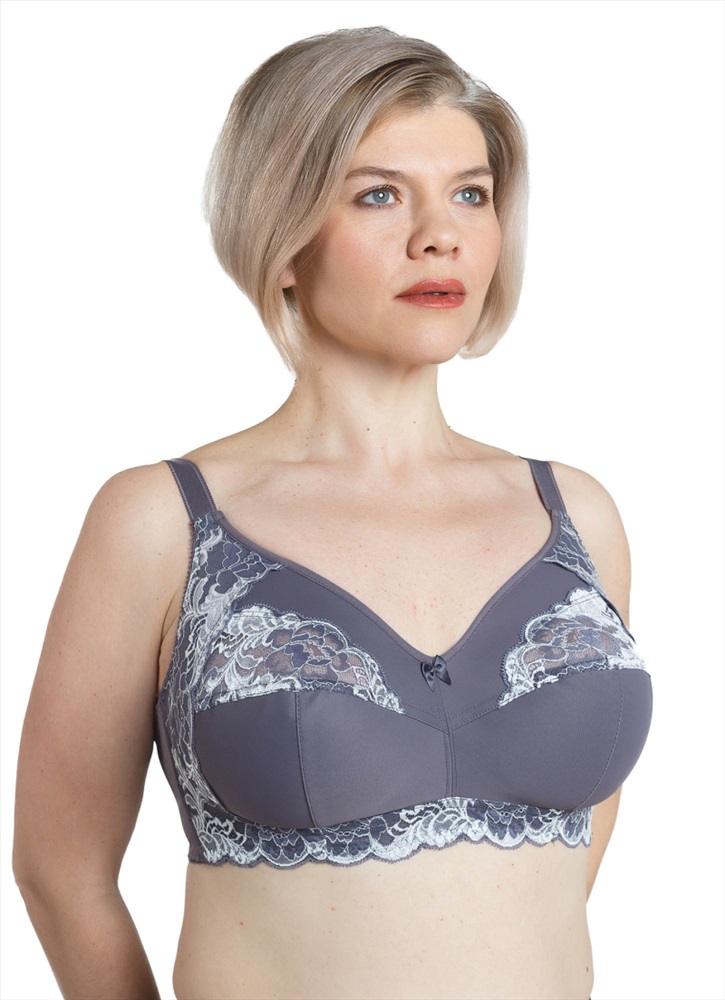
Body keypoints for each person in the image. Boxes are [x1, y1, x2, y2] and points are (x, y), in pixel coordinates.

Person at [13, 26, 653, 1000]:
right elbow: (60, 873)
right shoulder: (163, 522)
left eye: (469, 194)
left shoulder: (574, 514)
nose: (439, 235)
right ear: (282, 238)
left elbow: (568, 866)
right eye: (378, 194)